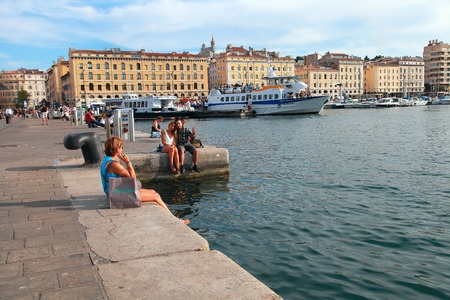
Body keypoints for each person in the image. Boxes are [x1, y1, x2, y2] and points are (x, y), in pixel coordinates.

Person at [100, 136, 189, 224]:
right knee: (156, 196)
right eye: (121, 147)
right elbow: (133, 179)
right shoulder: (115, 165)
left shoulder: (106, 160)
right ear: (116, 149)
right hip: (118, 195)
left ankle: (173, 218)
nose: (122, 149)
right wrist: (127, 163)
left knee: (153, 191)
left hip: (114, 192)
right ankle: (175, 221)